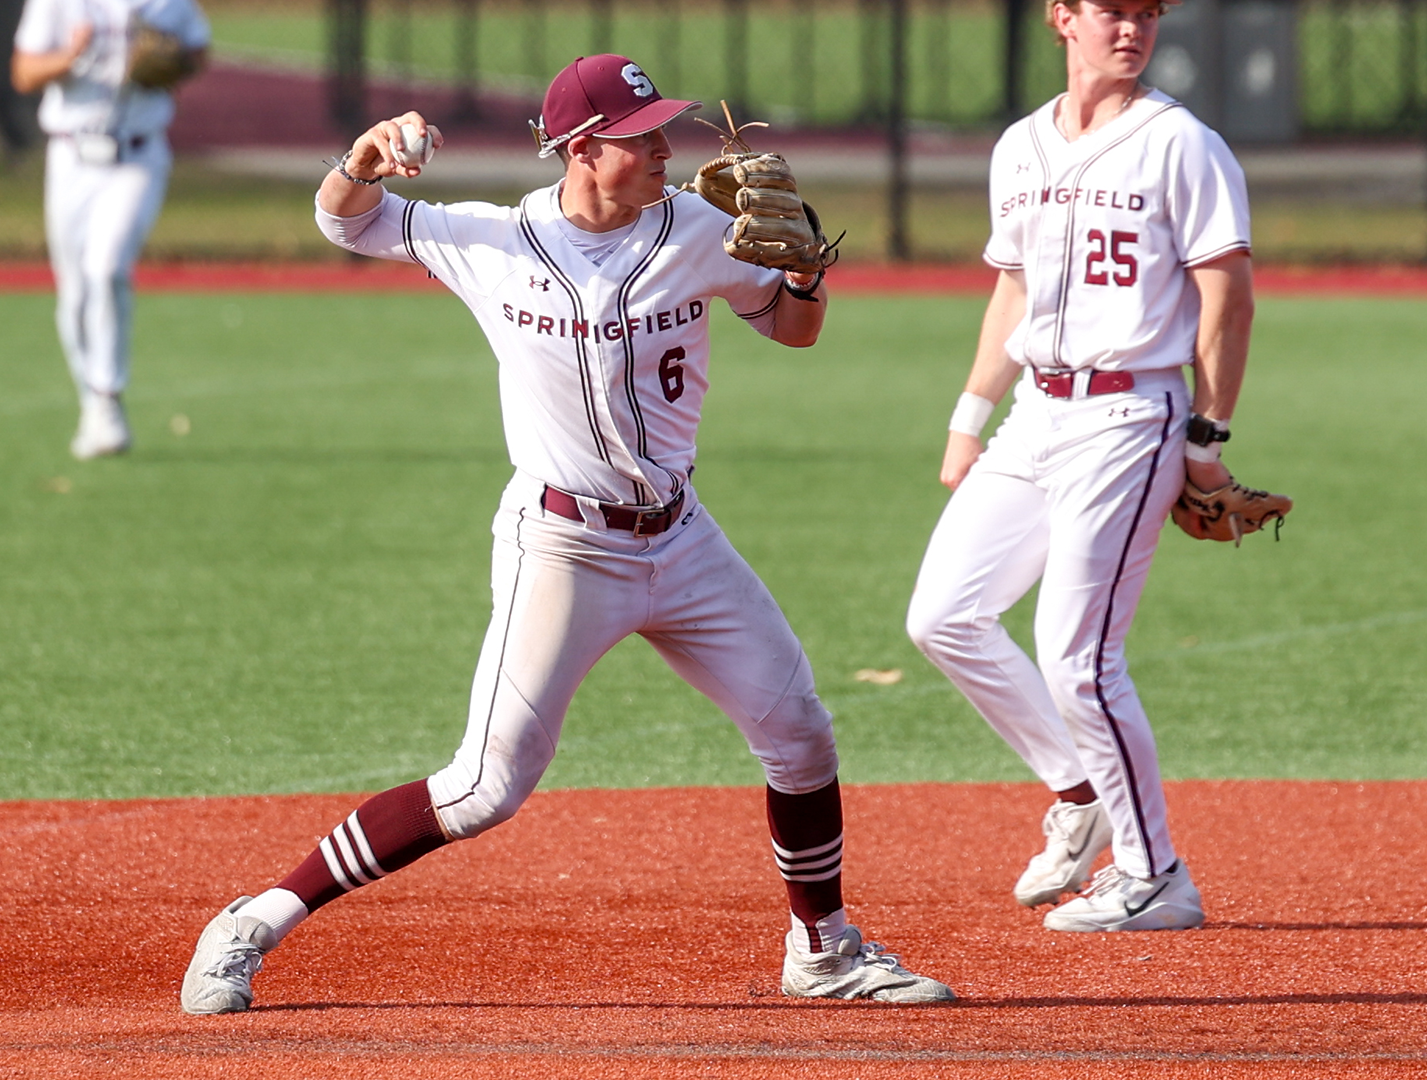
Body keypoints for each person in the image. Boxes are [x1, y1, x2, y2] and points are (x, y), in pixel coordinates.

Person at [180, 54, 955, 1011]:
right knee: (483, 790)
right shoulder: (493, 241)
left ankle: (823, 949)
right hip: (563, 545)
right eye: (643, 136)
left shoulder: (704, 231)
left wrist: (805, 272)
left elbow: (795, 331)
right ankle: (254, 920)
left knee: (800, 734)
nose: (666, 148)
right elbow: (345, 219)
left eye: (664, 128)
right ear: (583, 150)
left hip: (681, 538)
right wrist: (365, 155)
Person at [905, 0, 1253, 931]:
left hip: (1132, 412)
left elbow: (1227, 295)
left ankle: (1155, 875)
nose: (1131, 27)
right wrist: (967, 419)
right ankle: (1077, 787)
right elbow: (1010, 288)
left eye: (1146, 12)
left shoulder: (1182, 143)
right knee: (944, 615)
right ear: (1062, 17)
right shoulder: (1019, 145)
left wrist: (1206, 439)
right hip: (1035, 412)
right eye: (1110, 10)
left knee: (1079, 658)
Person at [11, 0, 209, 459]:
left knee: (107, 267)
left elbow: (198, 53)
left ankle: (107, 396)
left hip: (139, 156)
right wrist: (70, 54)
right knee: (75, 294)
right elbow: (24, 73)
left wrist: (170, 60)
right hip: (71, 157)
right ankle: (92, 404)